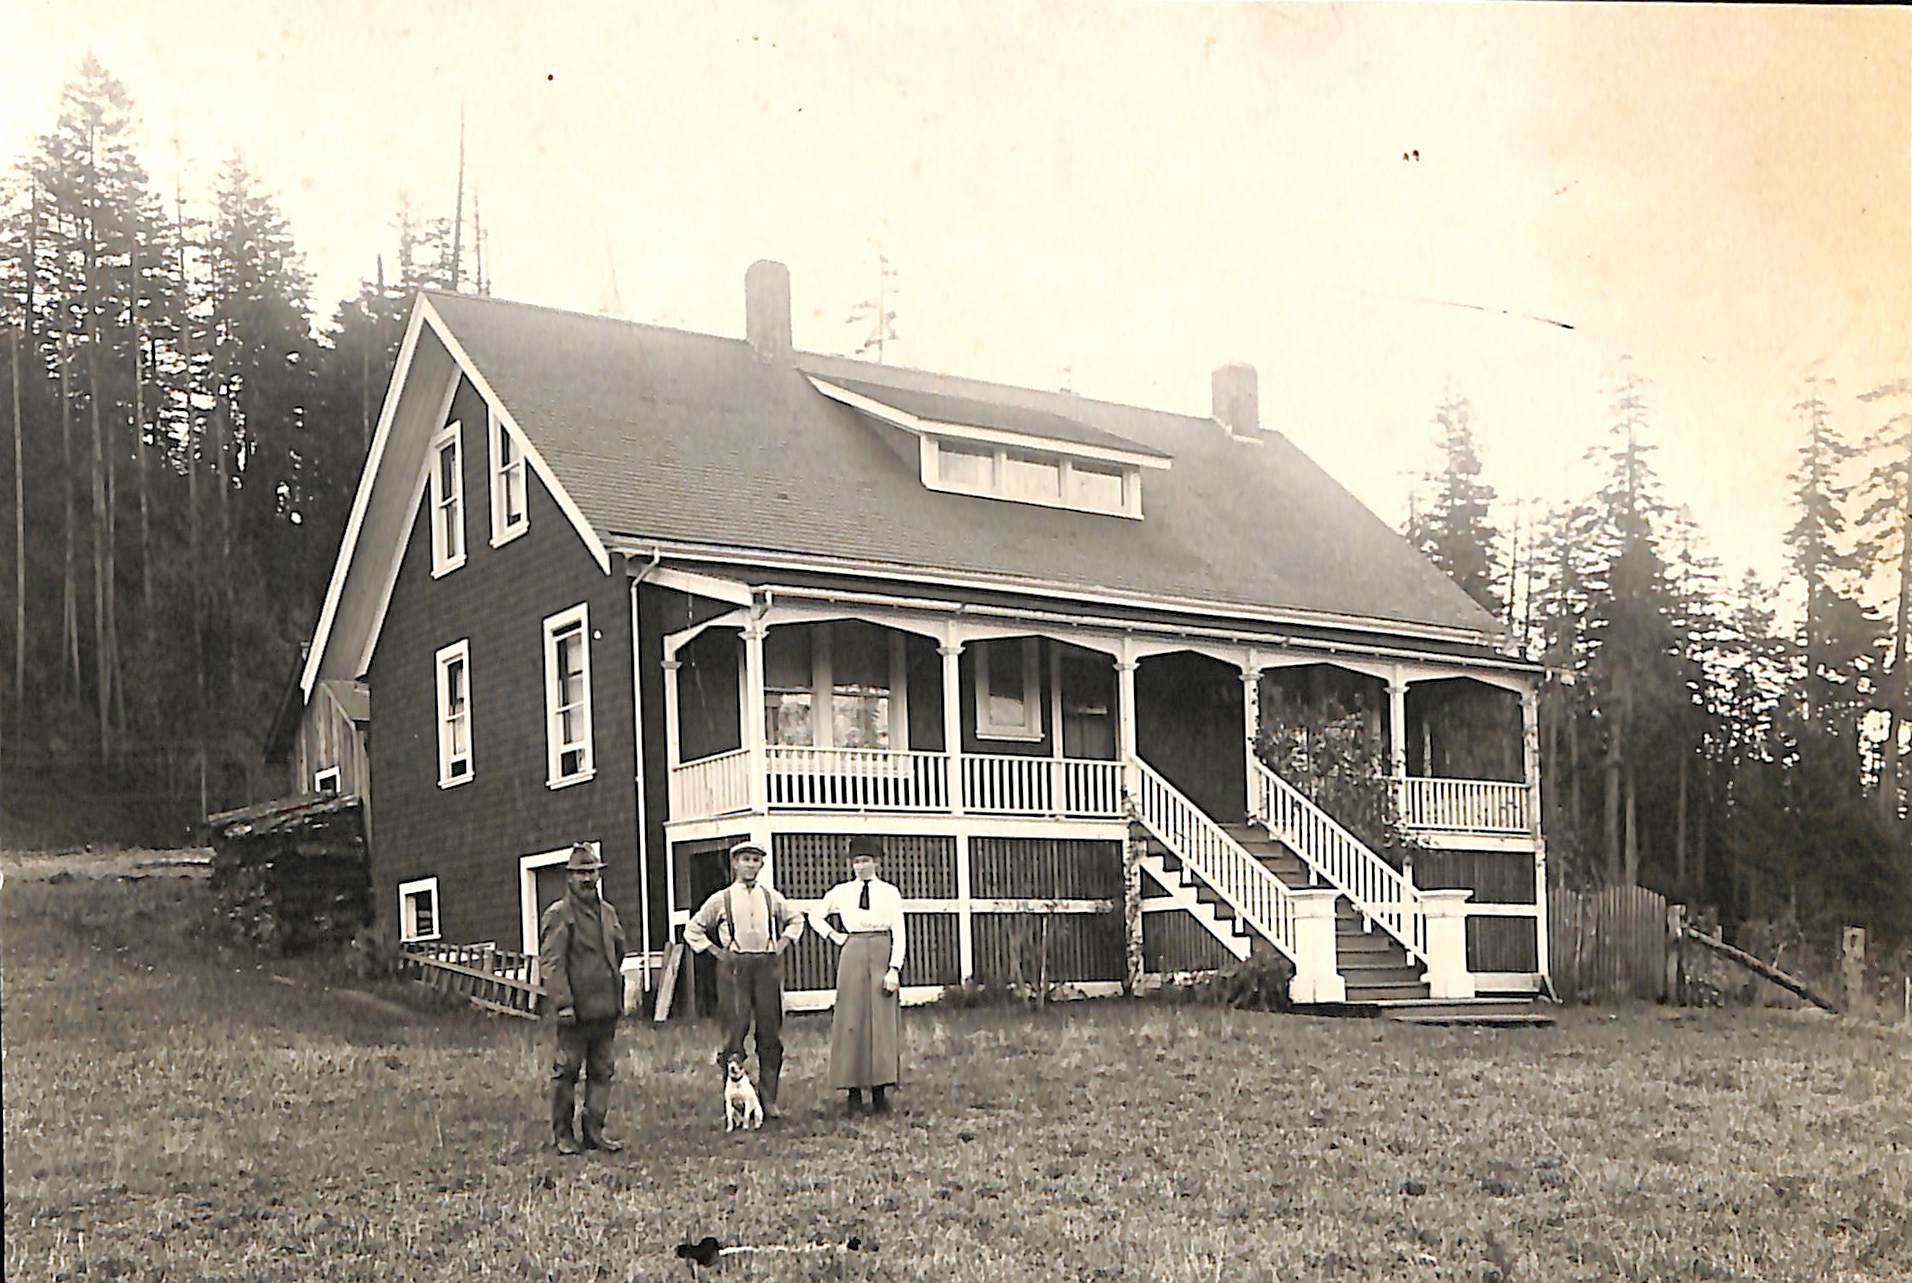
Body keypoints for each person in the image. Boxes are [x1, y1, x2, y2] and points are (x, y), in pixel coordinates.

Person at [684, 840, 806, 1119]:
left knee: (770, 1033)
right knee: (734, 1034)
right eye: (745, 859)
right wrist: (717, 952)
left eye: (755, 860)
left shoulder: (770, 897)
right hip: (735, 969)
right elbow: (693, 930)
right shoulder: (722, 899)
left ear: (761, 865)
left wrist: (781, 944)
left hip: (766, 967)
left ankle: (768, 1100)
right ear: (735, 864)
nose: (750, 865)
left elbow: (796, 920)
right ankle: (735, 1101)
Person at [538, 842, 629, 1156]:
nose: (588, 878)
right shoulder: (559, 915)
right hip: (574, 1012)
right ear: (569, 877)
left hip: (605, 1009)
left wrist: (612, 988)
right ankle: (563, 1135)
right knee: (566, 1073)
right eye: (581, 873)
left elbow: (618, 950)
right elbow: (551, 964)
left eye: (592, 872)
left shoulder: (608, 913)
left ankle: (594, 1133)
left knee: (602, 1072)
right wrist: (563, 1003)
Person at [810, 834, 907, 1116]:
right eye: (856, 861)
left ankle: (880, 1092)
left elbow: (899, 931)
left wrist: (894, 968)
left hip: (881, 950)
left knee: (881, 1022)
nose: (861, 866)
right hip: (852, 951)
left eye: (866, 861)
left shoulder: (889, 892)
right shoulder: (841, 892)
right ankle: (853, 1093)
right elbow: (815, 916)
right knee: (851, 1019)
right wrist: (835, 936)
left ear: (877, 862)